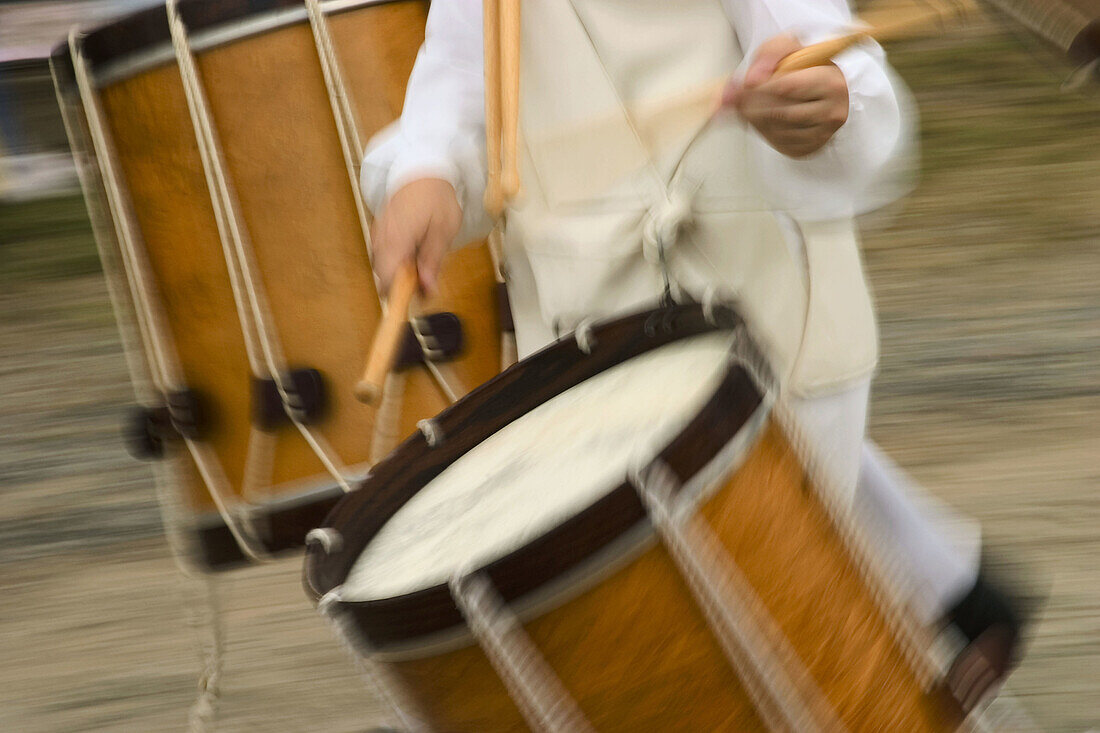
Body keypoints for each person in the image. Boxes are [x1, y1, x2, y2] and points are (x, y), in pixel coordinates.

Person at [361, 0, 1023, 712]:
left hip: (767, 311)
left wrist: (823, 107)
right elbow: (454, 96)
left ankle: (945, 601)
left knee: (786, 630)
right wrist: (424, 175)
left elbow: (824, 57)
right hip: (589, 337)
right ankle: (956, 588)